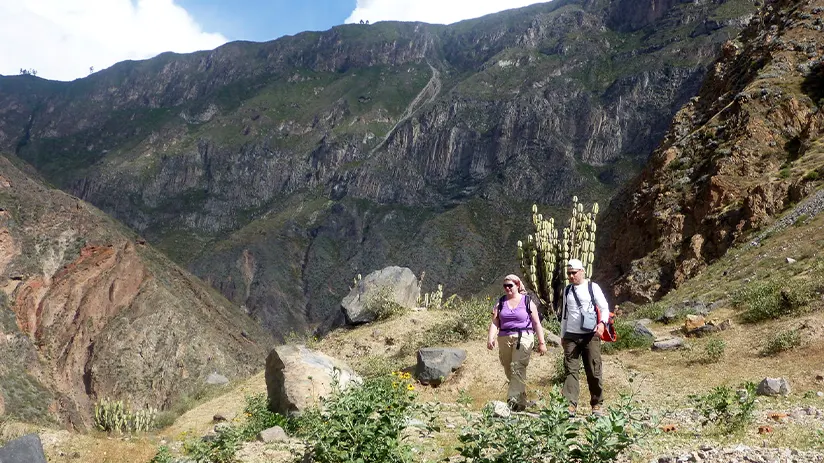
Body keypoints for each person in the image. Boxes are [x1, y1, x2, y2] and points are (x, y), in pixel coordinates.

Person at [487, 274, 547, 410]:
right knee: (508, 368)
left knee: (517, 367)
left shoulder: (527, 302)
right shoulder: (500, 302)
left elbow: (536, 323)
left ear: (517, 285)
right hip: (504, 337)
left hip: (523, 336)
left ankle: (512, 401)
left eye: (510, 285)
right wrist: (490, 338)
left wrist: (542, 342)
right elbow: (495, 322)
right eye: (505, 286)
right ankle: (521, 400)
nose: (507, 288)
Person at [560, 259, 610, 416]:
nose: (571, 276)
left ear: (582, 271)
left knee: (594, 369)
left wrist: (602, 324)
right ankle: (570, 405)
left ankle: (597, 404)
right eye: (568, 273)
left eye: (574, 273)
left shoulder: (592, 287)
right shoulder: (567, 290)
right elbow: (564, 315)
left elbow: (604, 307)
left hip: (590, 335)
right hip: (571, 335)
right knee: (570, 370)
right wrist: (563, 335)